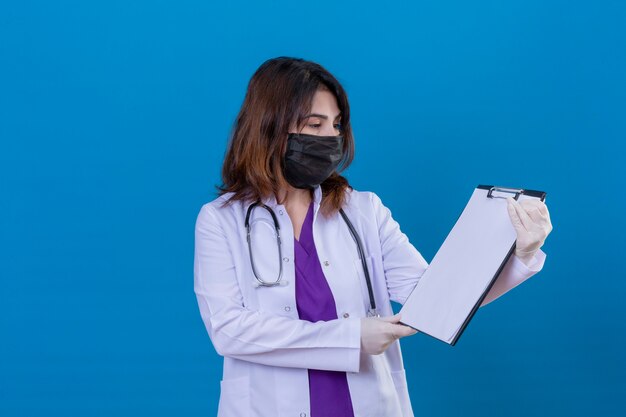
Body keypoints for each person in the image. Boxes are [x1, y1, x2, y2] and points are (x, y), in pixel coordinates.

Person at [193, 56, 553, 417]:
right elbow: (228, 330)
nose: (330, 138)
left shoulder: (363, 211)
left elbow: (436, 299)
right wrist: (352, 338)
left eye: (336, 125)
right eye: (314, 124)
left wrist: (520, 254)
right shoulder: (221, 221)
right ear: (268, 127)